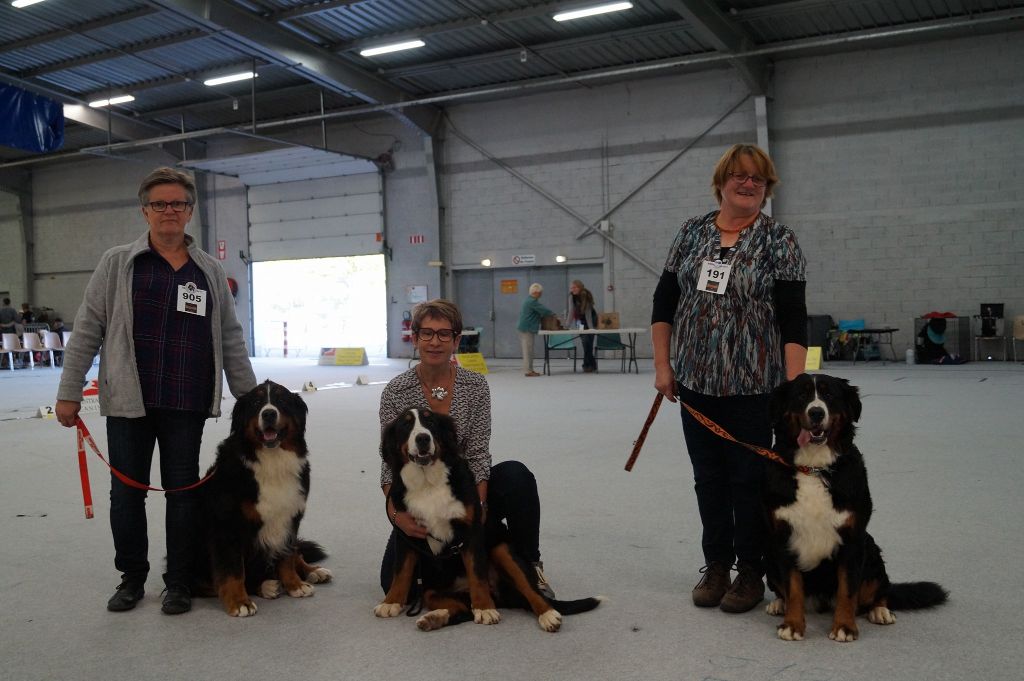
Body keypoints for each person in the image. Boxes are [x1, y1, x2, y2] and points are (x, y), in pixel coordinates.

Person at [54, 167, 256, 615]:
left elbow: (230, 337)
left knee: (183, 493)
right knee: (127, 493)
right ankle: (132, 577)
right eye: (160, 204)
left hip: (186, 400)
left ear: (189, 212)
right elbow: (88, 328)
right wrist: (69, 391)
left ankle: (179, 581)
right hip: (130, 399)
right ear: (145, 211)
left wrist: (252, 400)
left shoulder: (210, 270)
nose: (169, 211)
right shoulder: (117, 262)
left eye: (178, 204)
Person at [651, 143, 807, 614]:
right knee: (708, 480)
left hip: (755, 386)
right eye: (739, 175)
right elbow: (664, 304)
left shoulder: (780, 240)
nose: (748, 184)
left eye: (757, 179)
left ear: (767, 187)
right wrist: (663, 366)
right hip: (696, 384)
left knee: (749, 481)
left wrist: (794, 389)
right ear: (721, 182)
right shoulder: (690, 233)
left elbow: (794, 319)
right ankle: (715, 564)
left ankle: (752, 571)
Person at [379, 298, 554, 599]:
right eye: (427, 333)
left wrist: (479, 509)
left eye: (444, 334)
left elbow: (477, 454)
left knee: (516, 475)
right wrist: (398, 517)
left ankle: (529, 566)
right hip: (421, 500)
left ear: (456, 339)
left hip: (466, 494)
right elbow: (390, 463)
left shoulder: (475, 386)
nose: (435, 342)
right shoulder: (396, 390)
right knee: (394, 587)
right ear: (416, 337)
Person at [516, 283, 554, 377]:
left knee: (528, 350)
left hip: (525, 328)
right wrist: (554, 314)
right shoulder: (532, 301)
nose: (541, 294)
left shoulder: (529, 300)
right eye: (540, 293)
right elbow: (544, 310)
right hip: (527, 328)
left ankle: (529, 369)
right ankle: (529, 371)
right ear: (536, 292)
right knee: (528, 350)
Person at [568, 280, 598, 373]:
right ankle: (590, 364)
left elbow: (588, 313)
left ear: (580, 288)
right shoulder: (571, 297)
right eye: (571, 287)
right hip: (580, 321)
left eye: (574, 287)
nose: (572, 289)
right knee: (585, 343)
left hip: (591, 320)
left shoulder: (586, 295)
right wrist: (566, 325)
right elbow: (571, 311)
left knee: (589, 343)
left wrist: (591, 328)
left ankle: (587, 365)